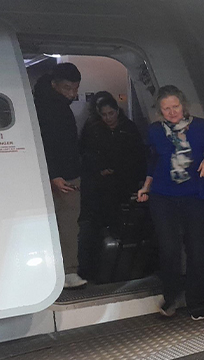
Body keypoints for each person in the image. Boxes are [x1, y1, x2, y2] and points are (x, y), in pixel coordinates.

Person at [137, 85, 204, 320]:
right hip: (162, 195)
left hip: (193, 195)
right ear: (160, 111)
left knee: (196, 248)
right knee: (169, 249)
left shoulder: (200, 126)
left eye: (175, 107)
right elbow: (152, 162)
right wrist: (146, 186)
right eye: (166, 109)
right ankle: (171, 297)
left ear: (184, 105)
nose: (172, 112)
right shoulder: (155, 131)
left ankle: (196, 302)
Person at [77, 91, 147, 282]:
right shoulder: (93, 129)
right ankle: (90, 271)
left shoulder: (129, 129)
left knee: (120, 230)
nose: (108, 118)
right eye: (104, 115)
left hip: (122, 186)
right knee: (93, 229)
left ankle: (118, 271)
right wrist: (99, 169)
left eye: (111, 113)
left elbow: (138, 157)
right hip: (98, 187)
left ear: (117, 111)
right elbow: (85, 154)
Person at [33, 62, 87, 289]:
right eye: (67, 88)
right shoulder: (49, 108)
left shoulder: (45, 103)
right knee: (67, 222)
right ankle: (67, 272)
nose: (72, 94)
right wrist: (55, 174)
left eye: (75, 88)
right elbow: (46, 143)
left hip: (60, 173)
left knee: (61, 222)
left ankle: (57, 272)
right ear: (54, 84)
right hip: (63, 176)